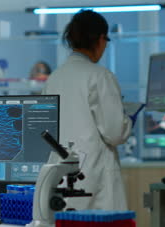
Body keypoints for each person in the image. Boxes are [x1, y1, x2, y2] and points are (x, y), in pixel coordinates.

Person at [42, 10, 136, 211]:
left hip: (59, 172)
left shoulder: (55, 78)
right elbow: (115, 133)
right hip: (93, 175)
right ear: (101, 39)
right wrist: (129, 120)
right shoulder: (100, 76)